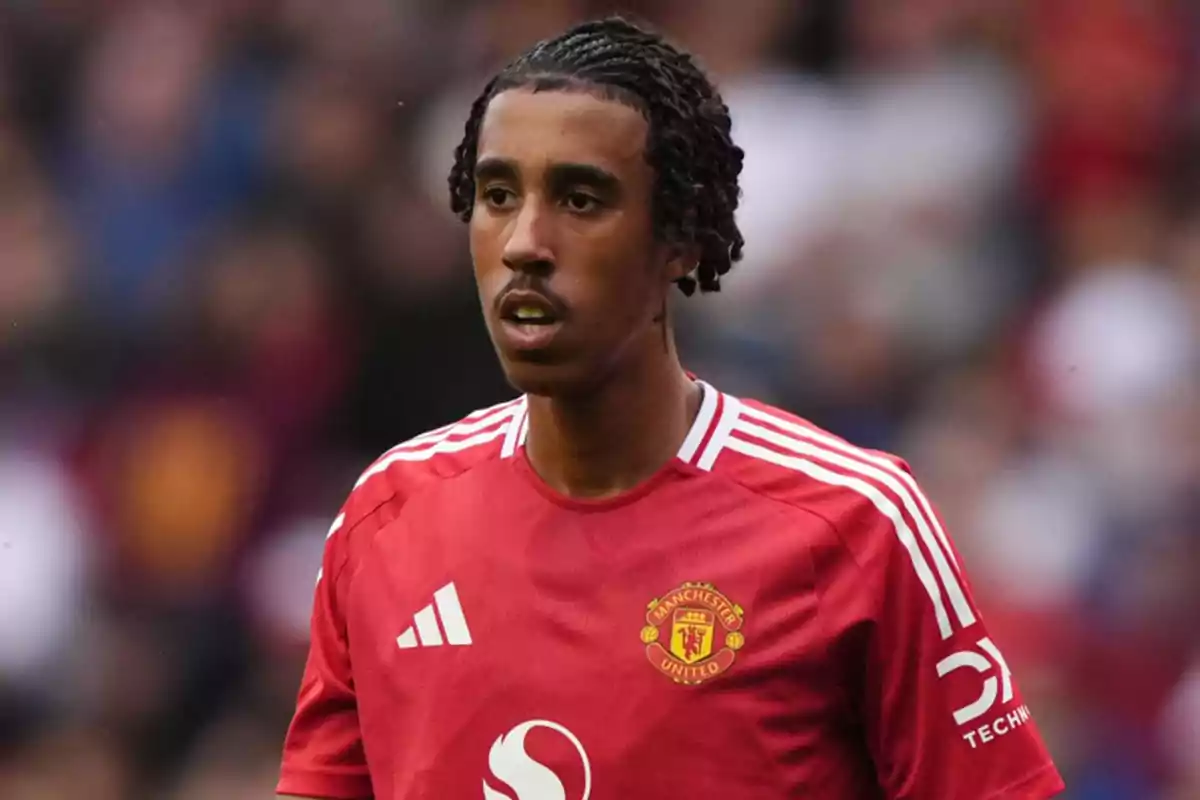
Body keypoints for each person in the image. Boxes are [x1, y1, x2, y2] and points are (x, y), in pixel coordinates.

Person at [276, 16, 1064, 800]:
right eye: (497, 195)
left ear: (680, 238)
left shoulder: (853, 523)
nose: (525, 241)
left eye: (581, 199)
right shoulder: (387, 518)